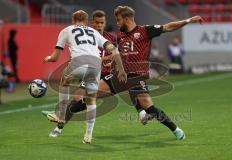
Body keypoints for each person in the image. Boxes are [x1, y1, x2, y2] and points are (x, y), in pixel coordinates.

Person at [46, 6, 204, 141]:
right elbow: (109, 50)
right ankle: (60, 125)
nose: (117, 22)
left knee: (150, 107)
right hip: (119, 76)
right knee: (88, 97)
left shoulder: (144, 31)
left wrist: (188, 20)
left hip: (137, 76)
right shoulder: (119, 36)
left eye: (119, 19)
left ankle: (175, 129)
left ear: (127, 19)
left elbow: (168, 27)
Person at [44, 10, 150, 139]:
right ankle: (59, 127)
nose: (99, 25)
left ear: (104, 23)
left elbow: (119, 54)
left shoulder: (111, 38)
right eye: (97, 23)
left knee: (125, 83)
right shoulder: (91, 35)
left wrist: (106, 61)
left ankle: (141, 111)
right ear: (92, 23)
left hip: (106, 73)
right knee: (77, 98)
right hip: (94, 71)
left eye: (102, 23)